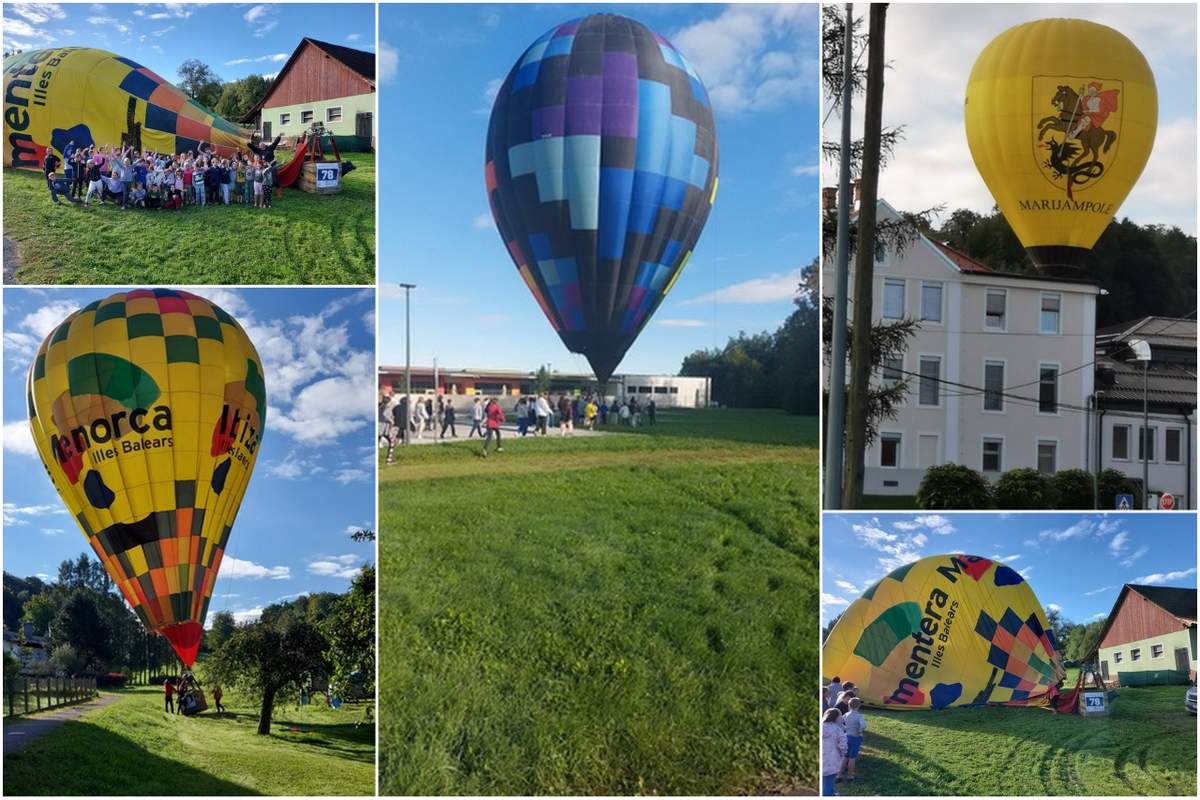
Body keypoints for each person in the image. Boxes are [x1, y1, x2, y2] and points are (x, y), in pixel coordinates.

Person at [840, 697, 867, 783]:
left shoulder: (846, 714)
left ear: (849, 705)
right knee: (852, 758)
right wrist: (860, 730)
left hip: (846, 736)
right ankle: (850, 776)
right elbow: (863, 725)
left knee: (845, 756)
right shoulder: (860, 716)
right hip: (855, 738)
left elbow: (839, 722)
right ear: (859, 706)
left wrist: (844, 729)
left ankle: (839, 775)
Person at [822, 708, 847, 796]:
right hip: (832, 759)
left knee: (824, 781)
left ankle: (831, 793)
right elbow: (843, 745)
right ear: (837, 718)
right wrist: (842, 753)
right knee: (829, 781)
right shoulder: (837, 729)